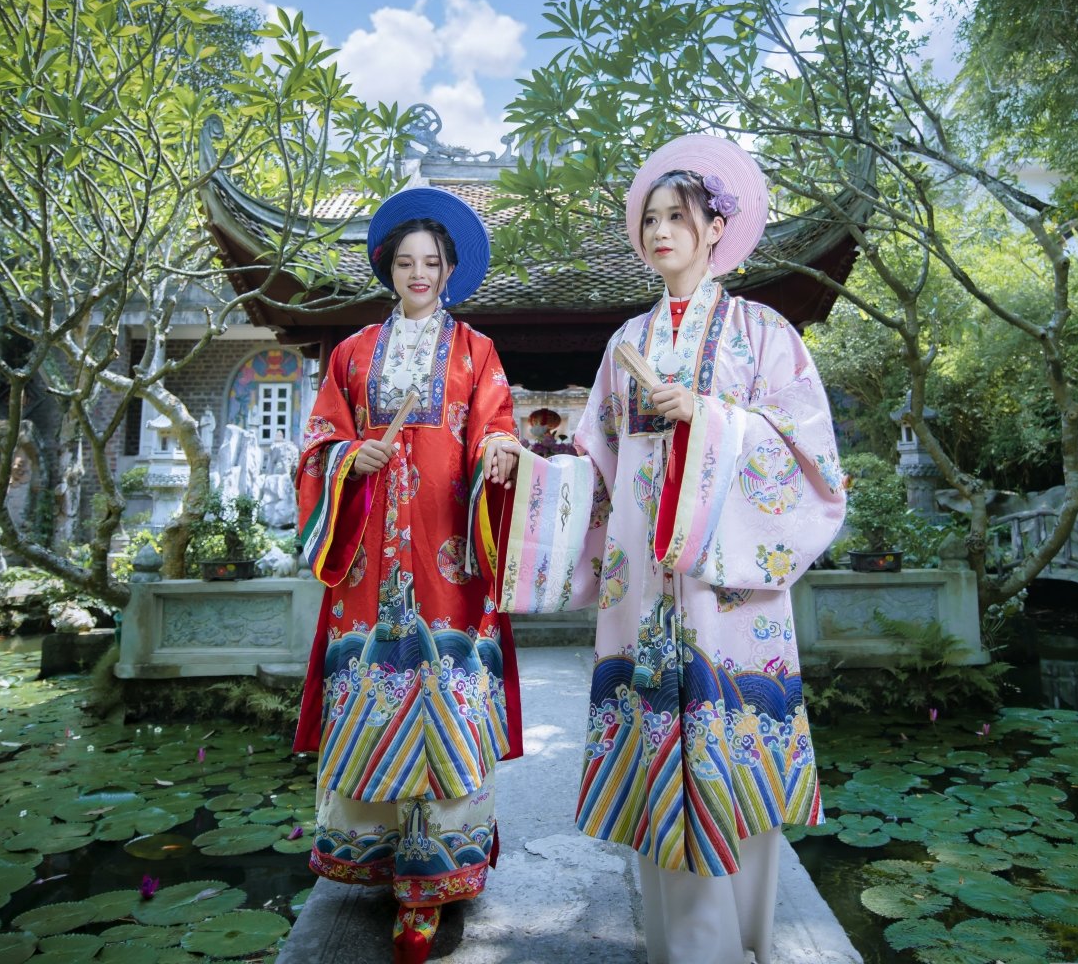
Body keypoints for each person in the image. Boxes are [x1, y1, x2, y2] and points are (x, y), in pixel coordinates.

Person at [476, 134, 847, 964]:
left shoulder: (764, 333)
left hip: (727, 591)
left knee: (730, 758)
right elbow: (594, 469)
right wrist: (529, 469)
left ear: (717, 226)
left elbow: (813, 458)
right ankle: (680, 948)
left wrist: (714, 420)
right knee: (656, 762)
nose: (662, 230)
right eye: (650, 218)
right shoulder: (623, 345)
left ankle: (741, 937)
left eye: (678, 216)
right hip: (642, 588)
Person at [292, 186, 524, 964]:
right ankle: (381, 862)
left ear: (451, 270)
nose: (419, 272)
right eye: (405, 261)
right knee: (373, 695)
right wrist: (347, 459)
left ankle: (434, 887)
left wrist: (498, 450)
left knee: (447, 704)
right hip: (368, 563)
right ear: (387, 268)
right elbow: (320, 436)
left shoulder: (475, 352)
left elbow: (497, 421)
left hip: (449, 559)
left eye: (432, 261)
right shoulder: (353, 352)